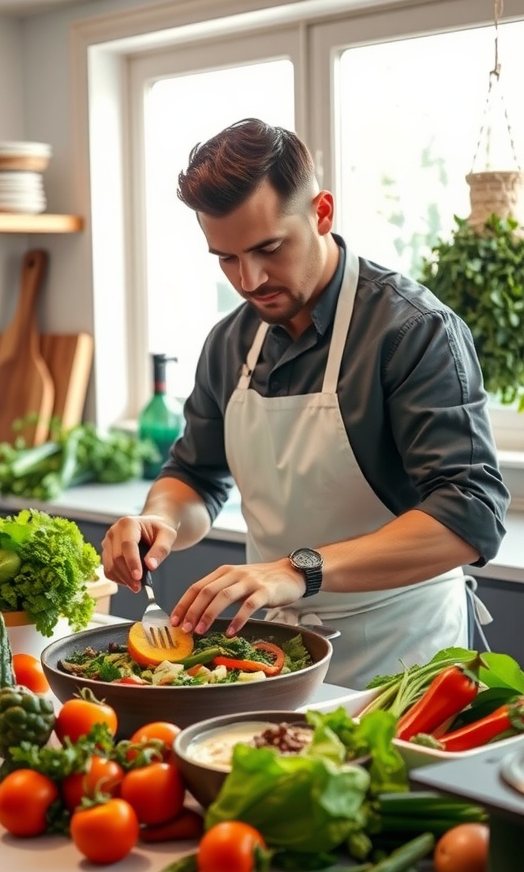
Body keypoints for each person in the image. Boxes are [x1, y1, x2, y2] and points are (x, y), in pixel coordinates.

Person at [102, 118, 510, 689]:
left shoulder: (412, 331)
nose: (249, 279)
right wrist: (159, 518)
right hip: (279, 657)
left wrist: (298, 570)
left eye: (269, 248)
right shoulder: (230, 342)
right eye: (225, 258)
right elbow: (195, 475)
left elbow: (470, 515)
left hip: (404, 657)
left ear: (321, 212)